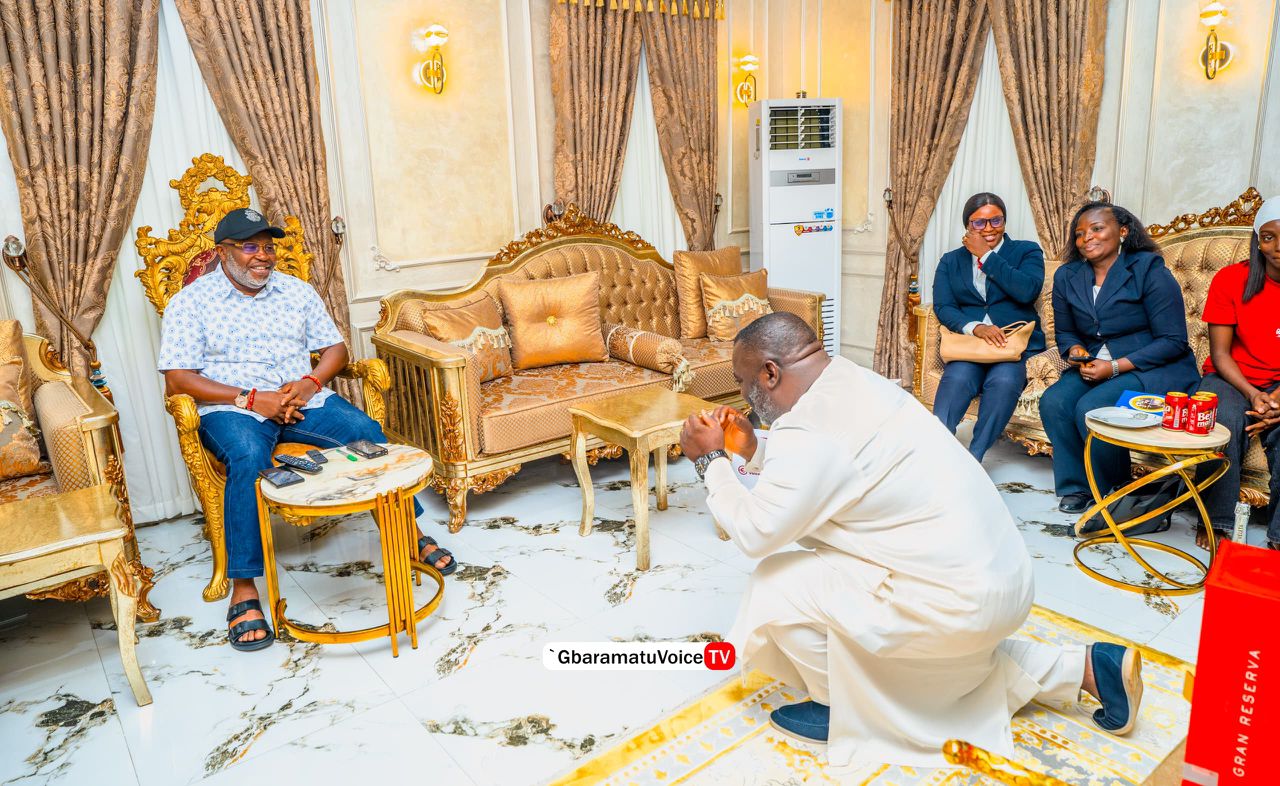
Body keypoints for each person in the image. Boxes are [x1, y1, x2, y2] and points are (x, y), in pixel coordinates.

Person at [678, 312, 1143, 772]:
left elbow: (757, 532)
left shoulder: (808, 429)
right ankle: (1087, 668)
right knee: (928, 666)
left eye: (742, 381)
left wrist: (710, 460)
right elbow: (825, 463)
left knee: (776, 585)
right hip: (1000, 580)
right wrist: (753, 448)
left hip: (959, 600)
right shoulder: (854, 379)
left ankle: (843, 707)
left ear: (770, 372)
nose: (743, 394)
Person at [158, 208, 458, 652]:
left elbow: (336, 349)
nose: (263, 256)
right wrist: (252, 398)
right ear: (223, 252)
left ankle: (408, 535)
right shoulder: (190, 303)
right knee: (247, 458)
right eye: (250, 246)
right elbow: (178, 379)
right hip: (235, 407)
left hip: (303, 401)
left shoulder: (296, 291)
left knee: (366, 432)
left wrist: (310, 383)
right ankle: (244, 587)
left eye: (268, 247)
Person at [1039, 202, 1199, 514]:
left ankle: (1114, 492)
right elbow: (1067, 333)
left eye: (1097, 229)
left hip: (1152, 367)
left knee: (1093, 406)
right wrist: (1076, 352)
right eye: (1080, 234)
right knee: (1054, 401)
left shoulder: (1148, 270)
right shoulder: (1068, 276)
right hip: (1096, 363)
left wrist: (1114, 367)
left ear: (1123, 231)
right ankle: (1077, 487)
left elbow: (1173, 340)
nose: (1087, 238)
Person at [931, 192, 1045, 461]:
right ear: (967, 226)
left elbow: (1027, 291)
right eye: (979, 223)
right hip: (970, 345)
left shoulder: (1026, 251)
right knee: (957, 379)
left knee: (1004, 382)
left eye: (996, 220)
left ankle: (975, 456)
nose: (989, 228)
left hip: (1011, 346)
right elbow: (944, 306)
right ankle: (936, 451)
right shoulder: (951, 260)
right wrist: (974, 327)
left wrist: (986, 255)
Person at [1193, 197, 1280, 550]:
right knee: (1222, 422)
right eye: (1269, 237)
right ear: (1258, 241)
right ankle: (1215, 521)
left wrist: (1276, 400)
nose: (1278, 247)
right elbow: (1220, 354)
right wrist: (1254, 394)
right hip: (1232, 376)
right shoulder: (1231, 279)